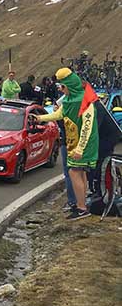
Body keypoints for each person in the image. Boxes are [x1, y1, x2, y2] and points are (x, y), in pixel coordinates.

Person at [35, 68, 99, 220]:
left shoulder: (85, 100)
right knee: (79, 172)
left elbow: (87, 127)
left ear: (70, 85)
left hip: (83, 143)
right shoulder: (68, 100)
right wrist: (40, 119)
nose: (61, 90)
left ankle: (81, 208)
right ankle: (81, 204)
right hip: (72, 142)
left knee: (73, 172)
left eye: (62, 87)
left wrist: (81, 148)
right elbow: (59, 114)